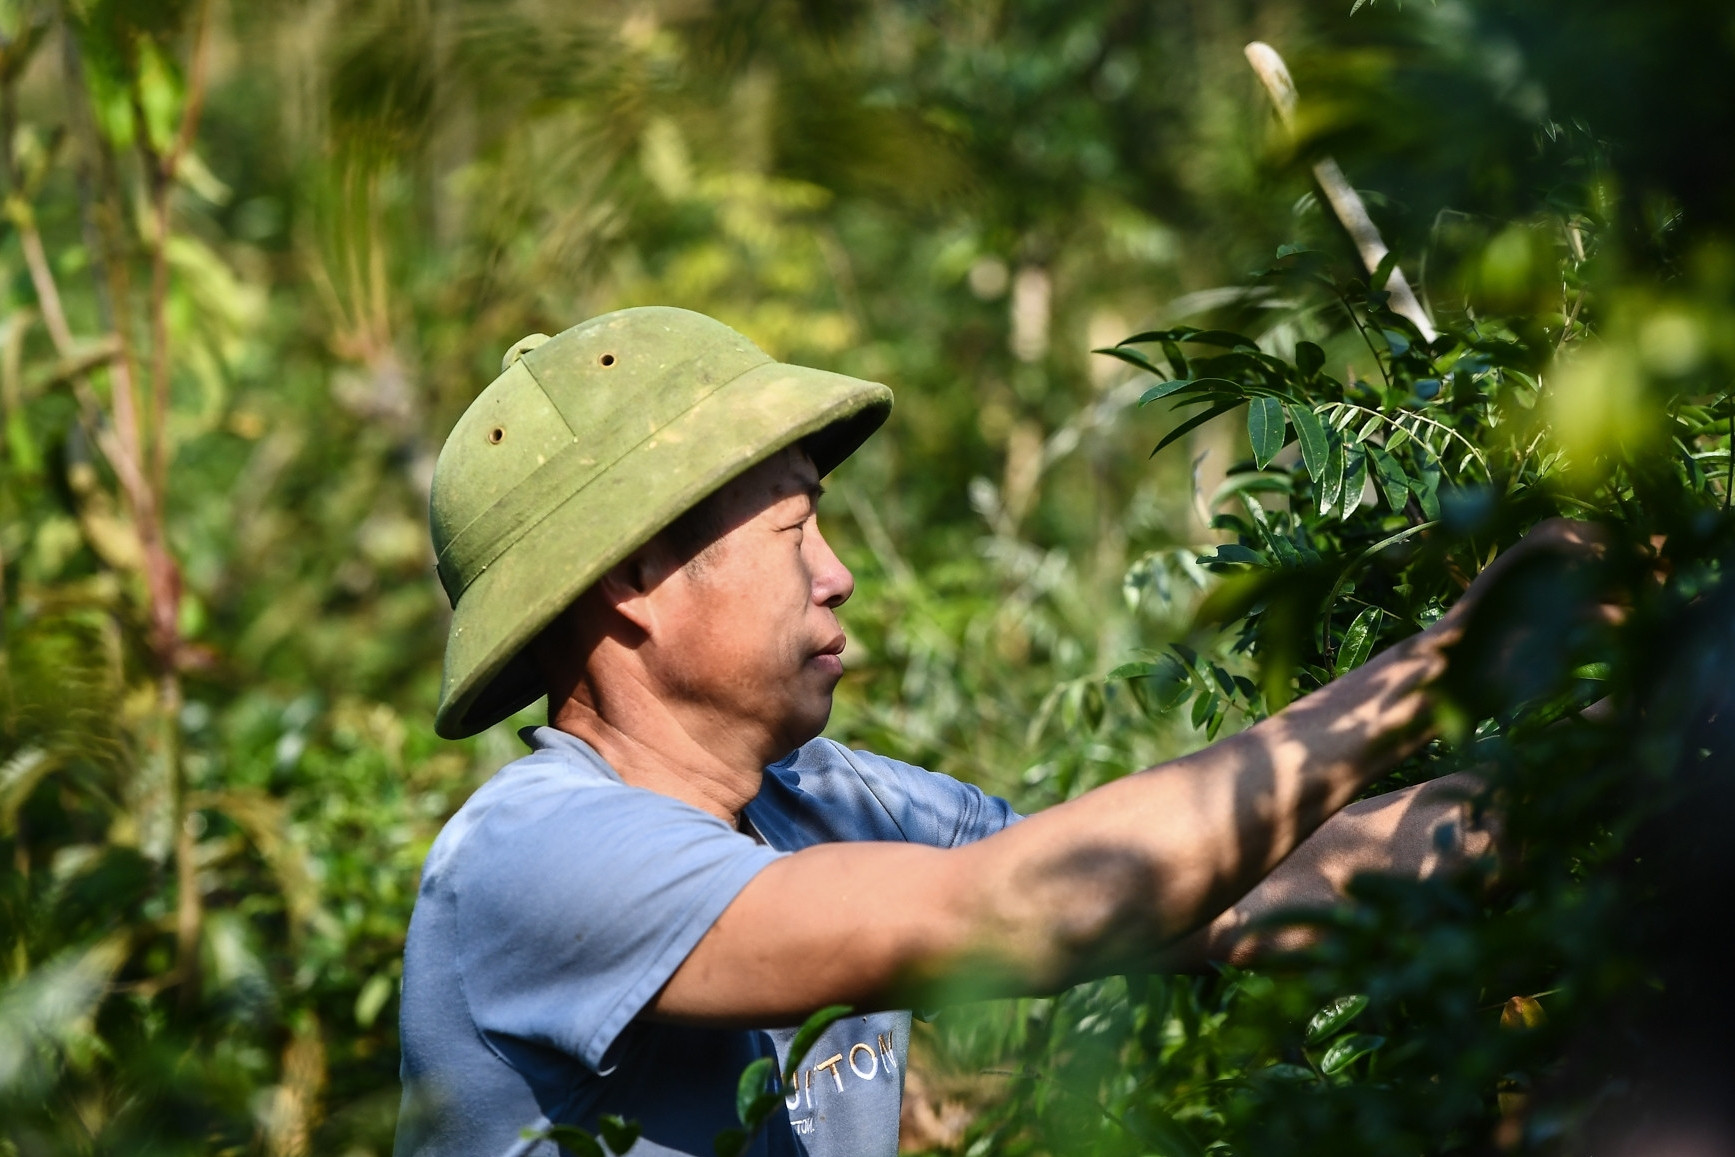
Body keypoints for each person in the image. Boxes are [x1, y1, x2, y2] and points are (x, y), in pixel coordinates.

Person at [394, 306, 1530, 1157]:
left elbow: (1207, 891)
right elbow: (1033, 907)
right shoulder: (538, 858)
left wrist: (1577, 785)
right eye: (793, 528)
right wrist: (1441, 667)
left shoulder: (825, 800)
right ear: (633, 579)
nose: (836, 575)